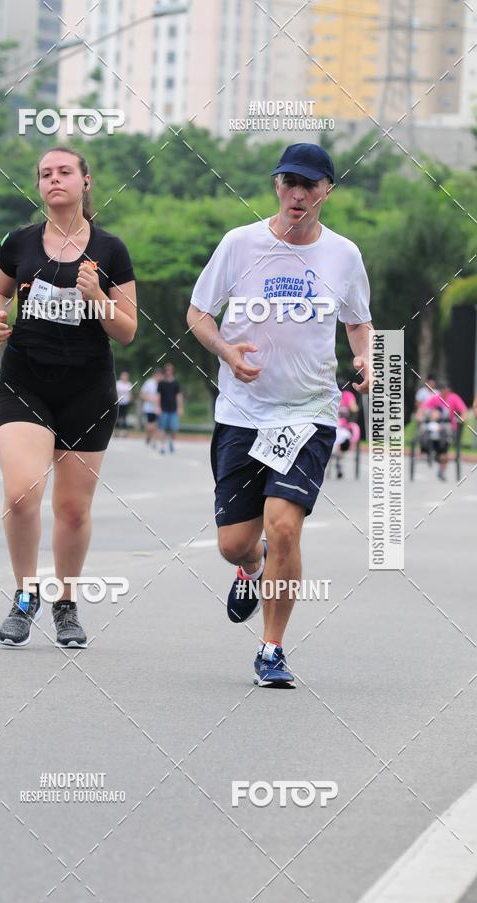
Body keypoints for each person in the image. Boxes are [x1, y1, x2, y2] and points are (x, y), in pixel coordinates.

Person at [187, 142, 372, 688]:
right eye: (289, 181)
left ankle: (272, 649)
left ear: (326, 191)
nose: (298, 194)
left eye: (309, 185)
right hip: (242, 412)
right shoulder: (239, 245)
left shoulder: (344, 255)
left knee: (285, 528)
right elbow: (198, 314)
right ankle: (250, 567)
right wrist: (225, 351)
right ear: (276, 185)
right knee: (234, 544)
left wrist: (363, 353)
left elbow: (358, 322)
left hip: (308, 412)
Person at [0, 145, 137, 648]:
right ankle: (25, 593)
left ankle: (67, 604)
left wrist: (97, 298)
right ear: (39, 185)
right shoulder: (19, 242)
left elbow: (128, 330)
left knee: (72, 509)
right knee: (21, 492)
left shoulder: (111, 251)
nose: (55, 179)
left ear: (86, 182)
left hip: (88, 389)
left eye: (65, 172)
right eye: (46, 173)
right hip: (24, 380)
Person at [418, 382, 467, 480]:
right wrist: (419, 416)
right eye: (442, 390)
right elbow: (423, 407)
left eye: (445, 390)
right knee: (426, 431)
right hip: (435, 427)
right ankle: (427, 449)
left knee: (444, 449)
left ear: (448, 390)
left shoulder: (454, 398)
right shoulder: (436, 398)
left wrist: (462, 419)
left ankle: (441, 470)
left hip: (449, 427)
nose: (443, 392)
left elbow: (463, 410)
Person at [333, 385, 360, 479]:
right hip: (342, 427)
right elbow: (354, 409)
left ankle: (336, 456)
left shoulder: (331, 393)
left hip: (330, 425)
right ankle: (339, 459)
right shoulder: (348, 395)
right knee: (345, 439)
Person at [156, 363, 183, 454]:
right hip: (163, 409)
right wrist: (158, 407)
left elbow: (179, 396)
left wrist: (180, 408)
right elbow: (158, 396)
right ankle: (162, 447)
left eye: (170, 370)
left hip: (173, 409)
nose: (168, 372)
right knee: (162, 428)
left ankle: (172, 442)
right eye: (167, 370)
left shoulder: (176, 383)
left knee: (173, 428)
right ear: (165, 371)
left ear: (172, 371)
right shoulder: (161, 383)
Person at [140, 369, 162, 446]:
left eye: (160, 375)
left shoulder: (162, 383)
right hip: (149, 408)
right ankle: (148, 437)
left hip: (159, 408)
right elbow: (142, 395)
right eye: (157, 375)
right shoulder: (149, 383)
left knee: (156, 425)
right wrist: (151, 399)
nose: (159, 377)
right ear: (154, 375)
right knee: (150, 426)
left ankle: (154, 441)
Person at [115, 370, 133, 437]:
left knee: (124, 417)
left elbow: (130, 394)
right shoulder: (118, 383)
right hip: (119, 402)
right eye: (123, 375)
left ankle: (124, 431)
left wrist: (131, 401)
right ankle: (116, 431)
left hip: (126, 403)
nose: (125, 377)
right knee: (117, 417)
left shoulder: (129, 384)